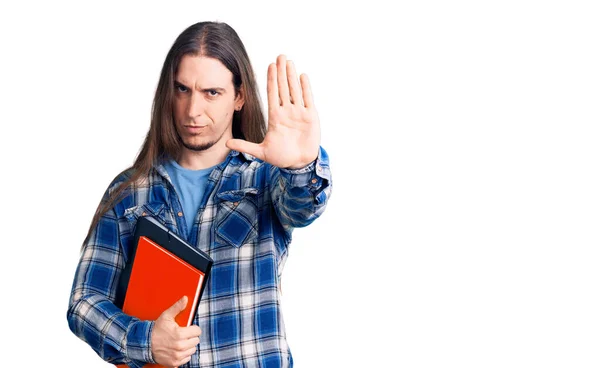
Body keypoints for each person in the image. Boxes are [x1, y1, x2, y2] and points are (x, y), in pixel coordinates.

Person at [66, 21, 331, 368]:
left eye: (211, 93)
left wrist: (302, 165)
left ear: (239, 97)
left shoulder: (266, 179)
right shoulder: (128, 193)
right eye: (182, 90)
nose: (193, 111)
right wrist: (145, 340)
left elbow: (303, 206)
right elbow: (84, 303)